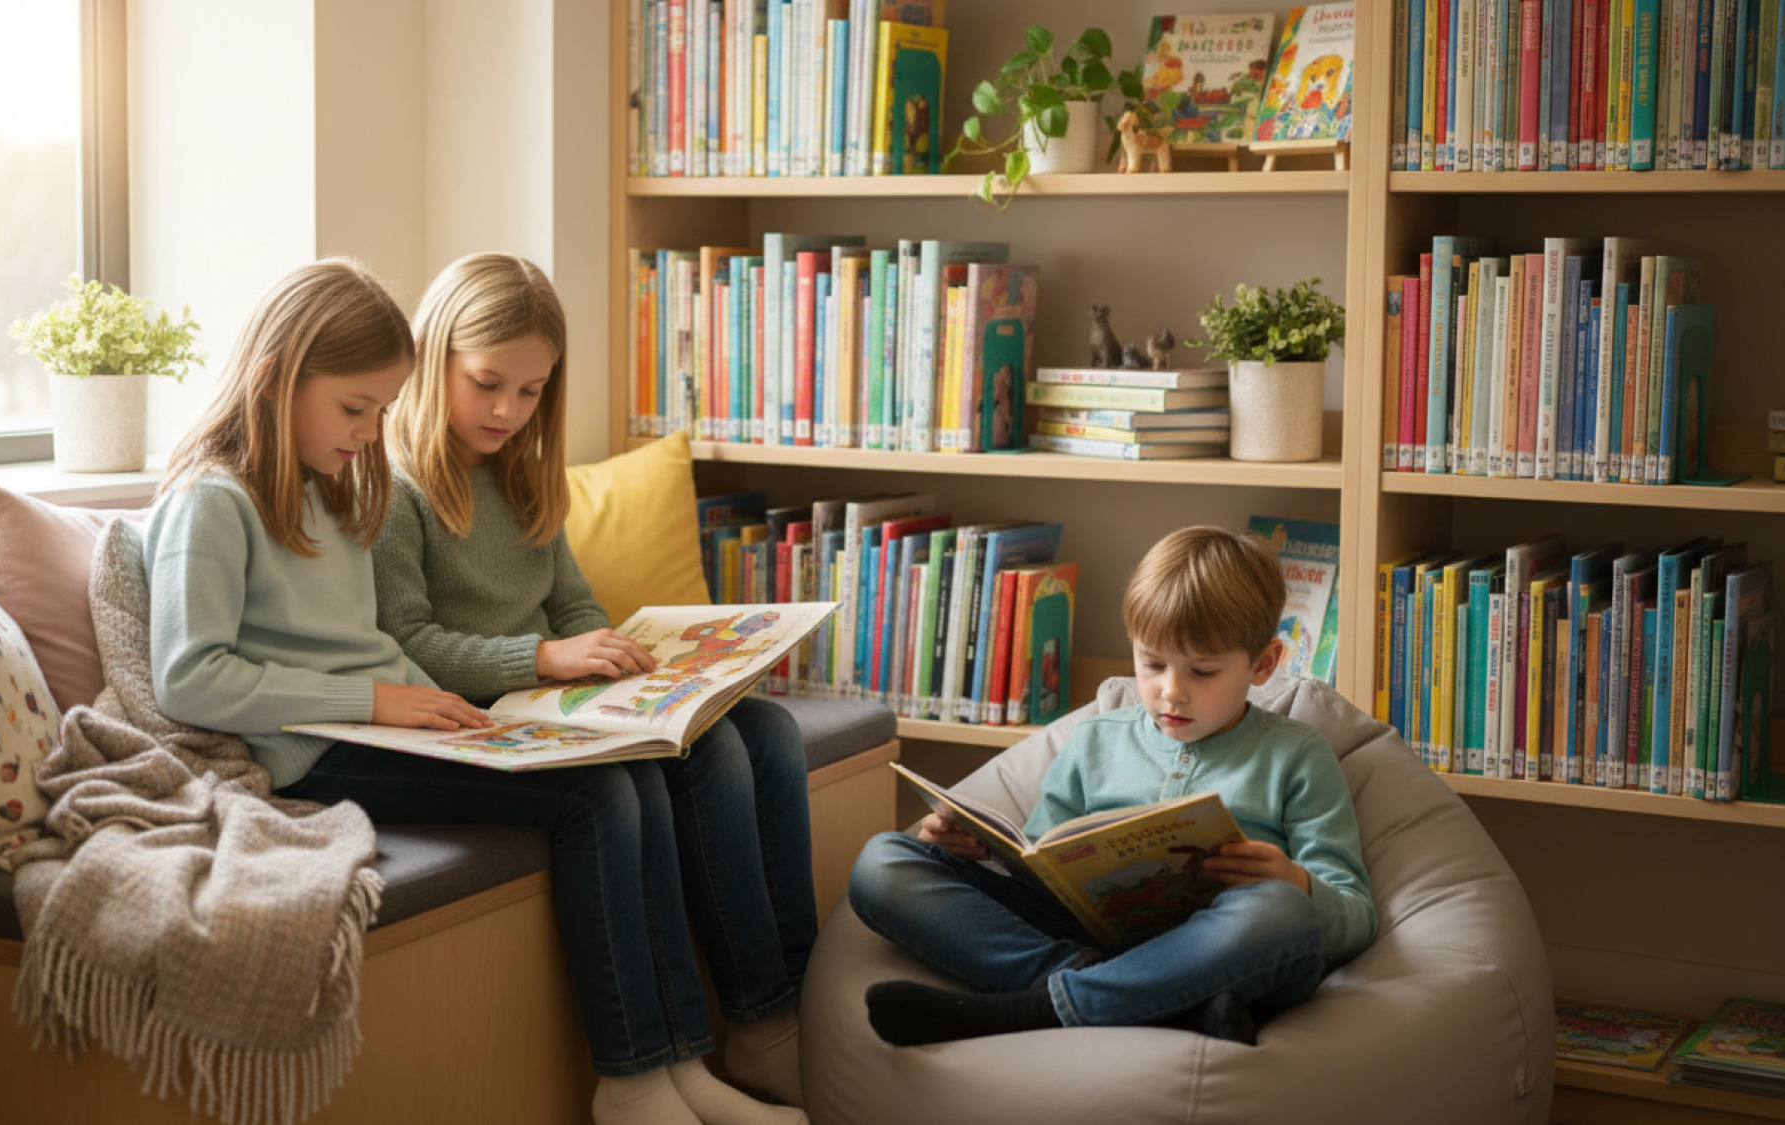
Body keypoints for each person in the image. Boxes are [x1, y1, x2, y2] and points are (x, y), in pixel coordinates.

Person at [361, 252, 816, 1125]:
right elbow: (407, 641)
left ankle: (778, 1006)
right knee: (709, 753)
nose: (507, 410)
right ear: (433, 360)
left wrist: (643, 660)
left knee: (768, 733)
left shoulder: (524, 471)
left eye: (531, 392)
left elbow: (572, 601)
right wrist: (542, 658)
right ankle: (722, 1036)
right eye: (488, 383)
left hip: (553, 693)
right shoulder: (398, 484)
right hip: (489, 703)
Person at [846, 525, 1375, 1048]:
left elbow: (1356, 917)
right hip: (1086, 938)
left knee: (1279, 915)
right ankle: (1150, 1001)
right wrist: (976, 852)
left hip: (1224, 950)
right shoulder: (1095, 740)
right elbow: (1042, 866)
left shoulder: (1299, 755)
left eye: (1203, 672)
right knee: (882, 862)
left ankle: (1030, 1006)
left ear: (1263, 664)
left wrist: (1295, 882)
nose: (1172, 692)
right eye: (1152, 663)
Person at [142, 256, 490, 803]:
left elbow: (363, 649)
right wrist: (371, 701)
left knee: (628, 772)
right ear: (275, 379)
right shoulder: (210, 501)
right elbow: (190, 680)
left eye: (383, 410)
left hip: (383, 730)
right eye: (355, 407)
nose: (373, 434)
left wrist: (467, 719)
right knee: (595, 795)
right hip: (313, 751)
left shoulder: (333, 488)